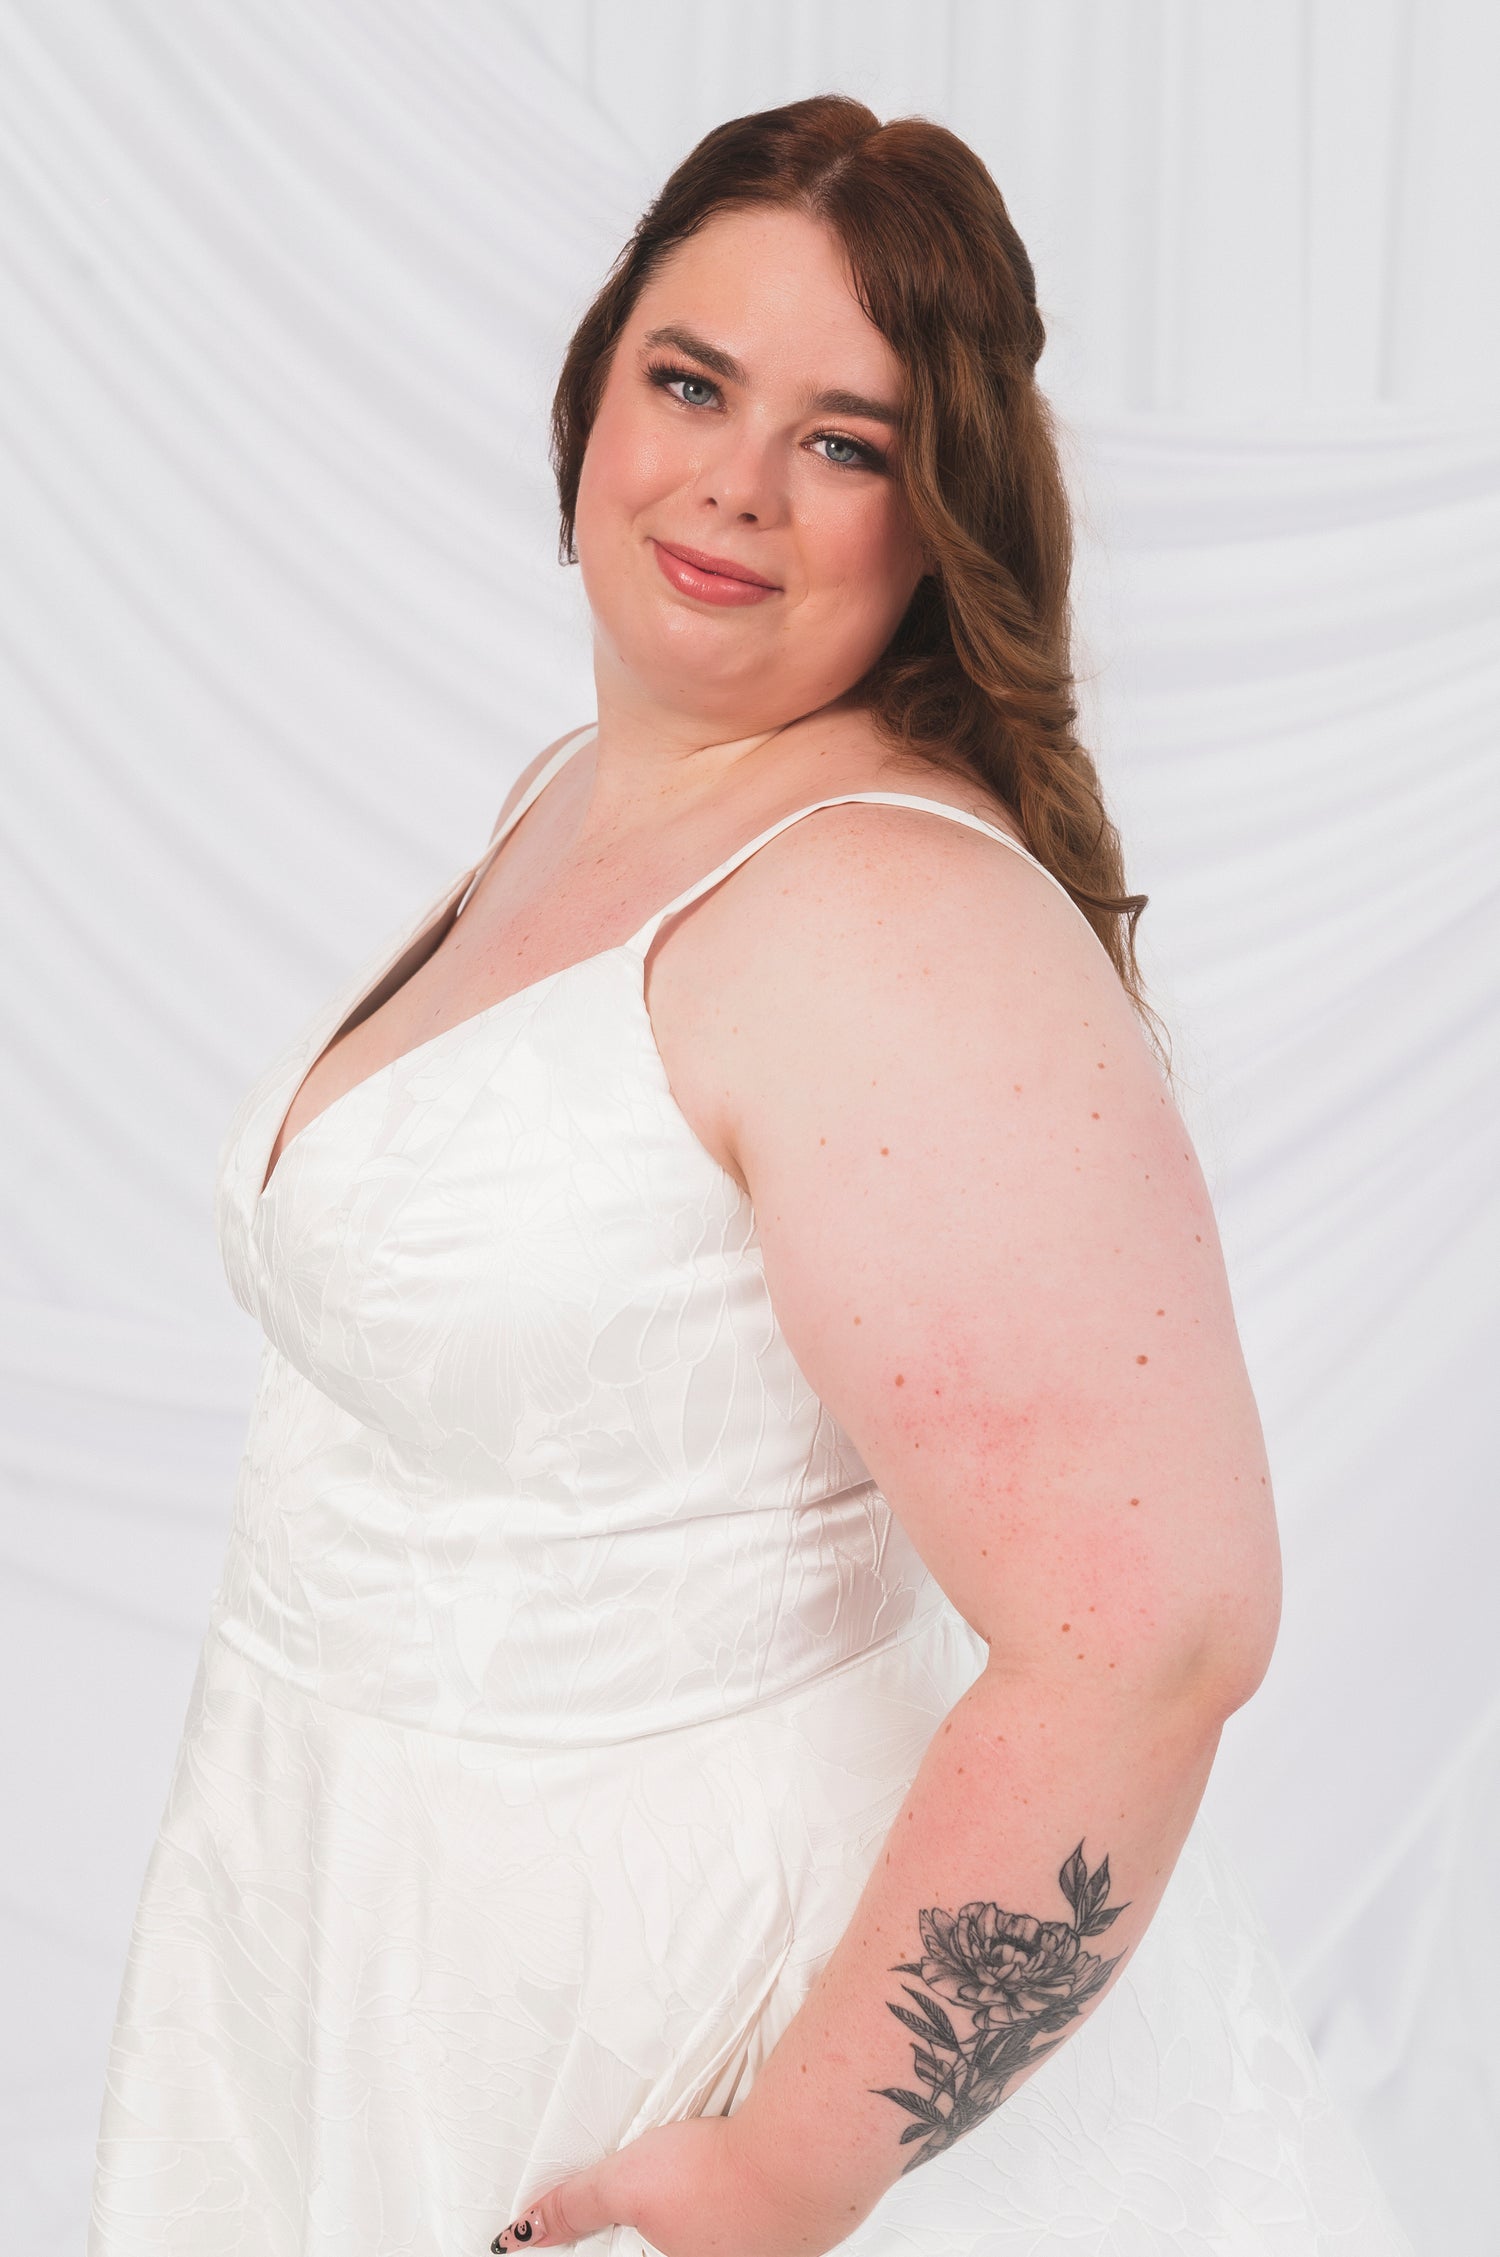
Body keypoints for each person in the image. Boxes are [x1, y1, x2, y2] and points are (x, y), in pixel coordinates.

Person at [89, 94, 1414, 2257]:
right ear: (594, 383)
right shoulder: (585, 792)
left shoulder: (879, 917)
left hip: (678, 2021)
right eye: (692, 382)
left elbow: (1154, 1629)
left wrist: (789, 2165)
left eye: (848, 440)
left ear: (940, 506)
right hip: (368, 1930)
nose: (733, 481)